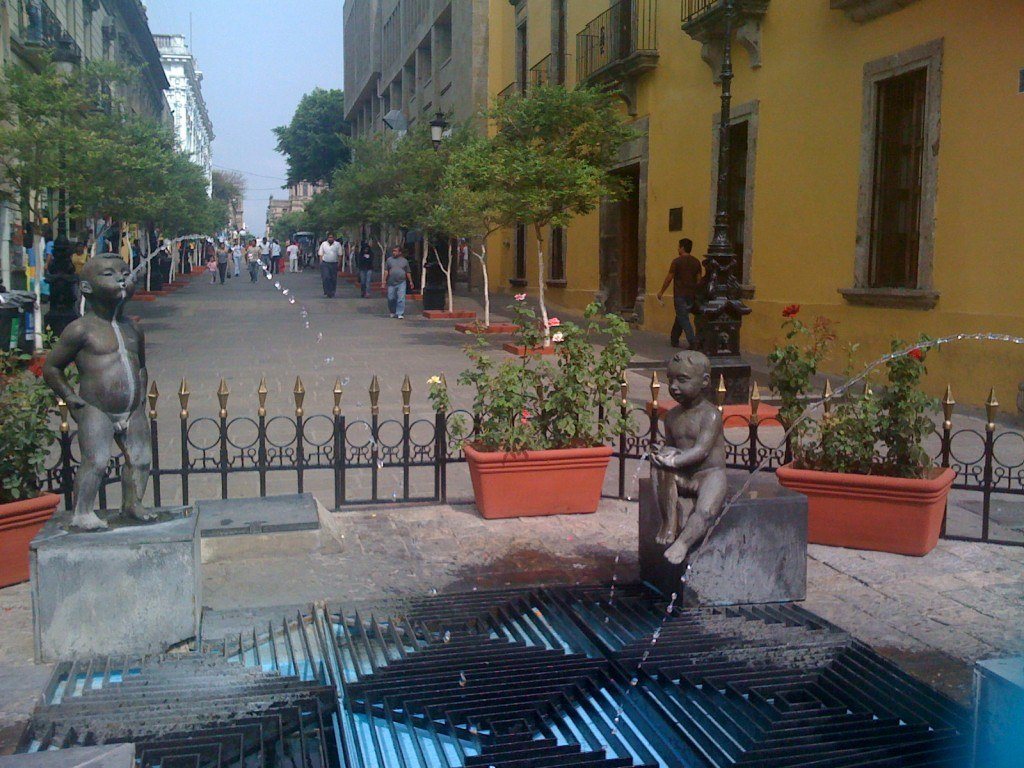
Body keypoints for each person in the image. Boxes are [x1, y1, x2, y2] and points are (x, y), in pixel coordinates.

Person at [41, 255, 153, 530]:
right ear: (87, 288)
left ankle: (132, 503)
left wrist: (140, 396)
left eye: (125, 272)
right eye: (109, 274)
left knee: (140, 458)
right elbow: (52, 368)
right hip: (96, 408)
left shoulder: (133, 327)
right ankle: (82, 512)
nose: (121, 278)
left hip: (132, 408)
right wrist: (70, 397)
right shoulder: (81, 329)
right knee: (97, 460)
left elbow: (141, 366)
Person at [651, 350, 727, 565]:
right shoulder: (672, 416)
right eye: (670, 380)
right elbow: (672, 446)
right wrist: (663, 453)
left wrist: (674, 460)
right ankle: (669, 521)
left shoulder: (710, 415)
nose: (674, 386)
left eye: (682, 380)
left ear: (704, 381)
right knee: (660, 467)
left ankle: (683, 543)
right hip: (685, 474)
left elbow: (701, 450)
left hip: (709, 474)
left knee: (706, 510)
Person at [657, 238, 702, 350]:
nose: (677, 248)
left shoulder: (677, 262)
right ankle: (674, 338)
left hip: (680, 294)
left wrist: (661, 291)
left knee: (683, 317)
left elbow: (669, 278)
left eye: (678, 246)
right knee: (681, 315)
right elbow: (699, 280)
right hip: (691, 294)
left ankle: (693, 341)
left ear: (682, 248)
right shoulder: (696, 262)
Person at [384, 245, 413, 319]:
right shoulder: (389, 260)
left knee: (401, 298)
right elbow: (386, 271)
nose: (394, 252)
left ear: (400, 252)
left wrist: (410, 281)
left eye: (395, 251)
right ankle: (392, 311)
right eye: (393, 251)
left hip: (401, 282)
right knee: (391, 298)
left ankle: (400, 313)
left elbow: (408, 272)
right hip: (391, 282)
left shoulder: (404, 261)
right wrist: (384, 281)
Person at [318, 233, 342, 298]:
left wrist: (339, 264)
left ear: (334, 238)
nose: (330, 239)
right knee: (326, 277)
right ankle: (327, 291)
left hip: (334, 263)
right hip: (325, 263)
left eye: (331, 237)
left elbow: (340, 255)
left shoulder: (337, 244)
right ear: (327, 238)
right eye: (329, 237)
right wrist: (321, 263)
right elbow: (320, 254)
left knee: (333, 278)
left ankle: (332, 291)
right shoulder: (323, 244)